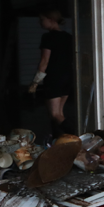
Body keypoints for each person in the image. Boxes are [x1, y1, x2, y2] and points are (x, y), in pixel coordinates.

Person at [29, 10, 75, 138]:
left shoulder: (48, 37)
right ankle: (59, 143)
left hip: (54, 78)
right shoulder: (69, 37)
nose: (40, 22)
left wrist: (35, 82)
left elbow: (44, 61)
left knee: (55, 115)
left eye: (42, 19)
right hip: (67, 77)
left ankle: (77, 136)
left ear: (52, 20)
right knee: (58, 114)